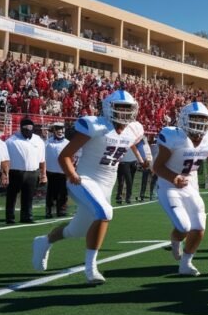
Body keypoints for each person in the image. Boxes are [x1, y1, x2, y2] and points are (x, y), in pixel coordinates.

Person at [32, 90, 150, 284]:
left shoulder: (133, 129)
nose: (124, 112)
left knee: (76, 230)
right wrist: (72, 175)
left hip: (106, 183)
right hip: (84, 179)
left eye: (128, 108)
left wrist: (144, 159)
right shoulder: (96, 125)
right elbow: (65, 155)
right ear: (108, 108)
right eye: (120, 107)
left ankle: (44, 241)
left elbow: (132, 142)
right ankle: (90, 267)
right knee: (105, 212)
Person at [153, 102, 208, 276]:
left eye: (202, 119)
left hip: (190, 183)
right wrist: (174, 178)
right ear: (184, 119)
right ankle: (176, 239)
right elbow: (157, 167)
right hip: (168, 184)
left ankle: (186, 263)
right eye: (194, 118)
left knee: (199, 226)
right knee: (183, 226)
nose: (198, 123)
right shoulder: (173, 136)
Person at [4, 117, 47, 224]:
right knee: (12, 196)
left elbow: (42, 160)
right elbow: (5, 159)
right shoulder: (11, 141)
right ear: (21, 128)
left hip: (33, 172)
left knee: (28, 196)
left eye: (30, 127)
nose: (28, 130)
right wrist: (5, 174)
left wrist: (43, 174)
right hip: (15, 172)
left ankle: (27, 216)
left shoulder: (38, 140)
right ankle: (10, 217)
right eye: (26, 128)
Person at [44, 122, 70, 218]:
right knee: (51, 192)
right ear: (54, 130)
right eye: (57, 129)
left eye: (61, 129)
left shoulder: (67, 143)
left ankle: (62, 210)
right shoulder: (47, 142)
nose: (60, 131)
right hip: (50, 172)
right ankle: (49, 210)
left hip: (63, 172)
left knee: (63, 192)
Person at [115, 138, 140, 205]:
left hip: (133, 160)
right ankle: (119, 196)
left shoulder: (136, 136)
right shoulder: (121, 136)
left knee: (130, 180)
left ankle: (128, 197)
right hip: (123, 161)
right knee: (123, 180)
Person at [138, 136, 159, 201]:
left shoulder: (158, 143)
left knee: (154, 180)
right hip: (147, 162)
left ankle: (152, 194)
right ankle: (142, 194)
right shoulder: (145, 144)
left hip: (155, 164)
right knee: (144, 179)